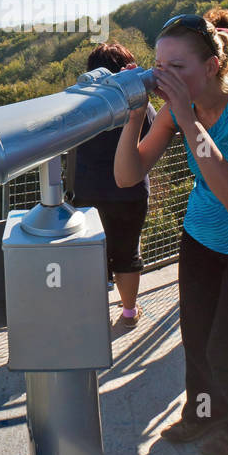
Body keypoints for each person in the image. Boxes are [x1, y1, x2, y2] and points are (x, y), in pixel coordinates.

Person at [118, 13, 228, 455]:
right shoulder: (182, 110)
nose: (164, 76)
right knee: (196, 341)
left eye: (177, 68)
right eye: (159, 66)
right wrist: (137, 112)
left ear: (212, 66)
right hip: (200, 239)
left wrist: (183, 117)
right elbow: (127, 174)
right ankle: (203, 412)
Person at [67, 42, 152, 331]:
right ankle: (129, 312)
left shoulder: (80, 102)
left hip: (87, 190)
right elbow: (153, 132)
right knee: (127, 252)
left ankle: (92, 317)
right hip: (130, 191)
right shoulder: (137, 99)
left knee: (90, 254)